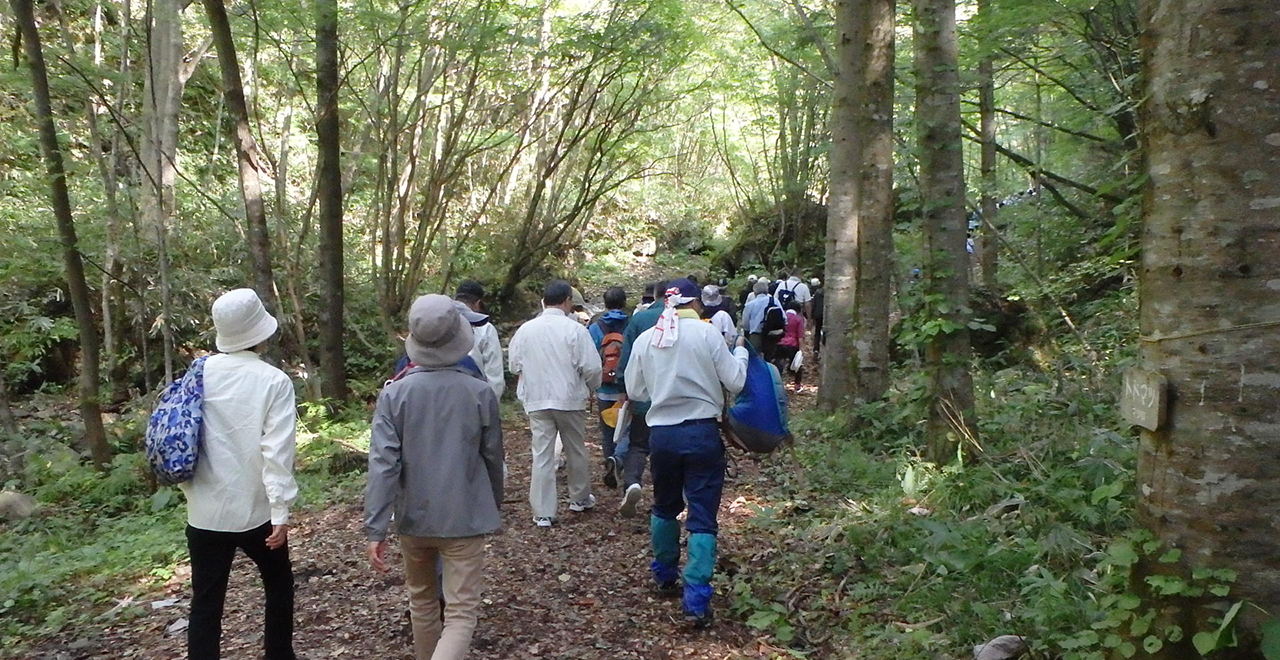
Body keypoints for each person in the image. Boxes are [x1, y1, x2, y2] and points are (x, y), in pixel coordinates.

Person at [366, 294, 504, 660]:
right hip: (464, 514)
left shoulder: (394, 394)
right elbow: (492, 457)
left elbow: (383, 464)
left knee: (422, 602)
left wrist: (375, 528)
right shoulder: (480, 393)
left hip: (413, 517)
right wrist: (494, 504)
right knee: (460, 612)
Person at [624, 279, 749, 628]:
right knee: (703, 515)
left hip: (661, 435)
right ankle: (696, 599)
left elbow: (634, 389)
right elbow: (736, 381)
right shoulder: (708, 334)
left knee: (664, 505)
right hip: (702, 434)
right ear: (695, 304)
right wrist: (739, 350)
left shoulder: (649, 338)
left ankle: (664, 574)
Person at [182, 288, 298, 660]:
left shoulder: (198, 372)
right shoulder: (274, 381)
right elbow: (276, 453)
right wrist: (280, 513)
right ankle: (279, 655)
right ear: (259, 331)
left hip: (204, 511)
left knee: (205, 601)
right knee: (278, 584)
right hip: (255, 511)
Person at [508, 280, 603, 527]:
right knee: (575, 448)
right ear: (567, 301)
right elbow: (592, 367)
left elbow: (513, 365)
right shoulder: (575, 330)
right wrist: (592, 387)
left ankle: (543, 512)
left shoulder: (526, 330)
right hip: (569, 397)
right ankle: (579, 498)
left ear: (543, 301)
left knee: (542, 452)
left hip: (536, 399)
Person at [615, 279, 668, 518]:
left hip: (642, 396)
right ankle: (665, 495)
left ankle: (633, 483)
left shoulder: (638, 320)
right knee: (665, 448)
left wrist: (623, 387)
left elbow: (626, 360)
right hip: (672, 398)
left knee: (638, 445)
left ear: (654, 295)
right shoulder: (684, 322)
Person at [588, 286, 629, 488]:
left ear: (605, 304)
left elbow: (589, 356)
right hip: (626, 388)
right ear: (624, 302)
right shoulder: (631, 324)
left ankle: (609, 462)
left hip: (603, 387)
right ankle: (621, 462)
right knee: (628, 428)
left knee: (606, 429)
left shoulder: (596, 327)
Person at [455, 280, 505, 398]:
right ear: (478, 303)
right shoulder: (485, 328)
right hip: (475, 395)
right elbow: (494, 372)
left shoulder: (442, 322)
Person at [773, 300, 806, 387]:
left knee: (778, 363)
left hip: (779, 342)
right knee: (797, 365)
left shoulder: (781, 316)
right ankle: (797, 384)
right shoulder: (798, 319)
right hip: (792, 344)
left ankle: (777, 383)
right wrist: (802, 350)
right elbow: (800, 336)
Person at [741, 279, 772, 353]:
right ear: (767, 291)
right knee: (769, 355)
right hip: (772, 334)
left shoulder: (750, 305)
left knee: (755, 355)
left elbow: (745, 324)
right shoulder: (774, 300)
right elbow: (784, 318)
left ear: (754, 292)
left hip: (756, 334)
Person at [809, 278, 824, 362]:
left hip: (817, 314)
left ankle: (816, 349)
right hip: (825, 314)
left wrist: (811, 316)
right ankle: (824, 348)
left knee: (817, 333)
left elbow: (813, 304)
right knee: (825, 332)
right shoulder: (826, 293)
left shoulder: (817, 293)